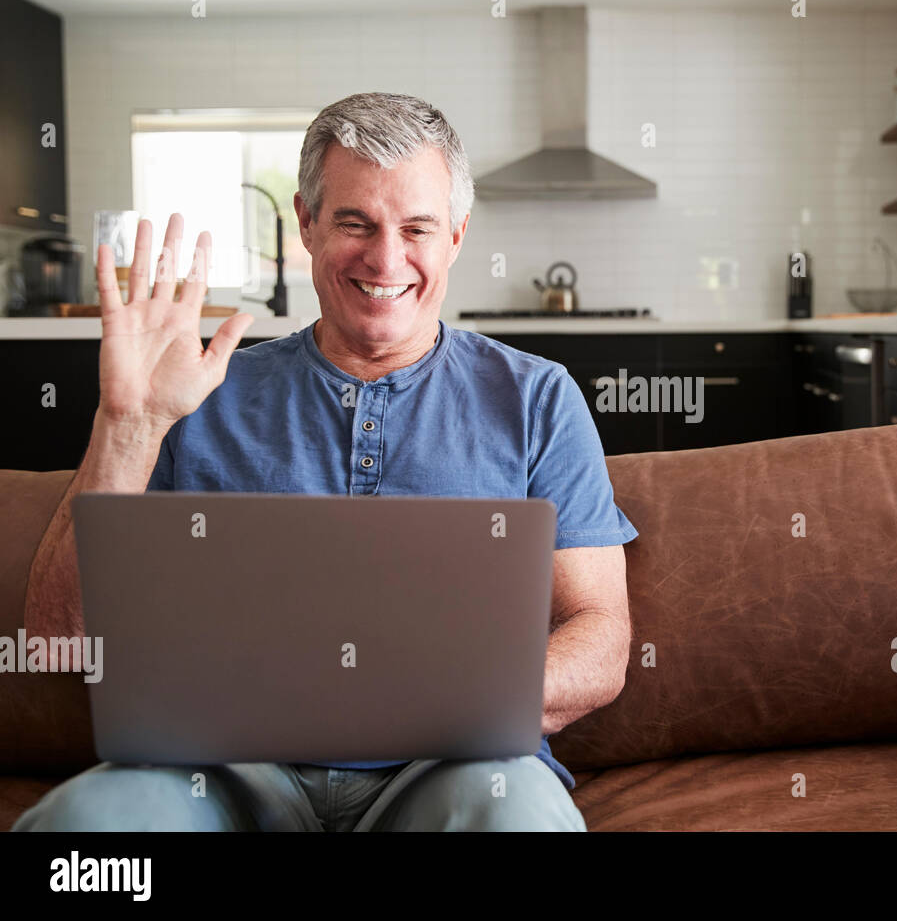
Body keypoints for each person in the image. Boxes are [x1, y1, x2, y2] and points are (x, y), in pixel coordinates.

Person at [14, 92, 637, 832]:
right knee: (83, 832)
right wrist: (130, 421)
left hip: (456, 765)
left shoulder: (536, 397)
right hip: (218, 768)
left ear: (458, 236)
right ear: (306, 225)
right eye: (355, 222)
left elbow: (601, 636)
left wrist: (461, 698)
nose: (386, 258)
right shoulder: (198, 393)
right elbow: (56, 640)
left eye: (417, 228)